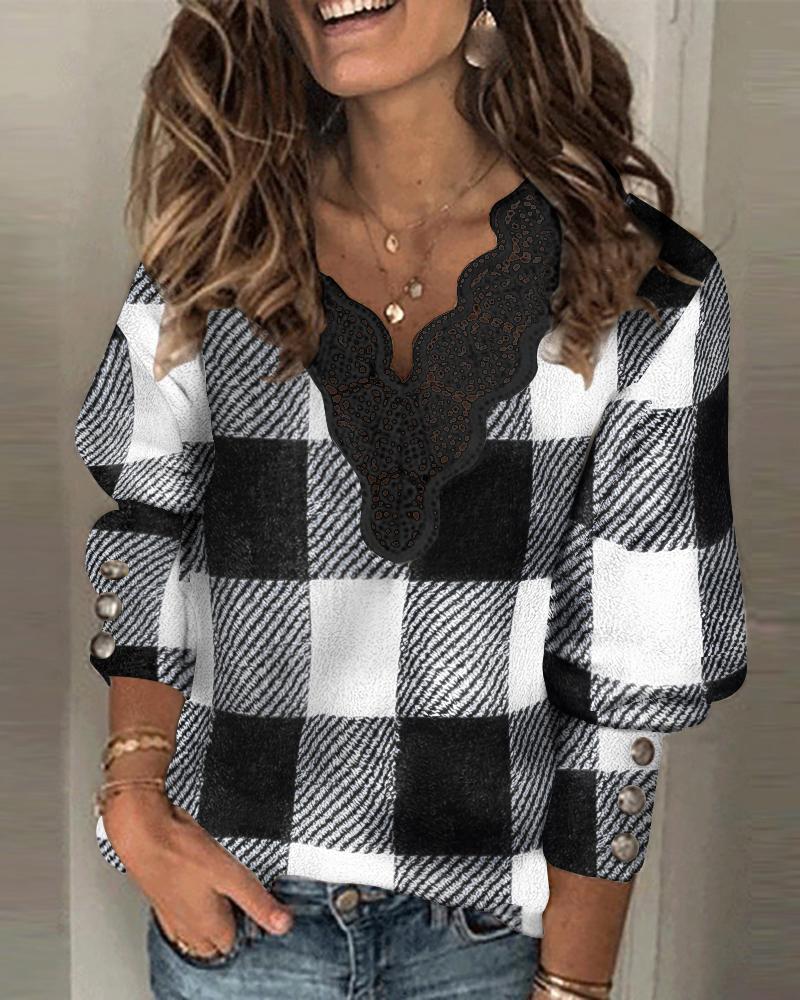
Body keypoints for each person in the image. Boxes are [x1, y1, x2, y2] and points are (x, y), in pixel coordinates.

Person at [73, 2, 749, 998]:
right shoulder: (220, 250)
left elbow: (622, 684)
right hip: (236, 920)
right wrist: (134, 796)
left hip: (481, 943)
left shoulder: (637, 288)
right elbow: (147, 529)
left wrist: (574, 988)